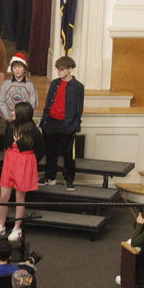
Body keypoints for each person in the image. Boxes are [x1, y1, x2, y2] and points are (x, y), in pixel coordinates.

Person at [0, 102, 44, 241]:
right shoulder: (10, 126)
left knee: (19, 198)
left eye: (15, 112)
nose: (13, 114)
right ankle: (1, 226)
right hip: (10, 161)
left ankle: (17, 228)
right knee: (3, 196)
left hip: (24, 163)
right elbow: (6, 143)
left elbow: (40, 150)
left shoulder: (34, 131)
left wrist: (30, 163)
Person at [39, 56, 84, 191]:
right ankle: (50, 176)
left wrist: (74, 125)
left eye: (62, 69)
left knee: (68, 154)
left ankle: (69, 178)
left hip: (67, 124)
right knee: (51, 152)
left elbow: (79, 109)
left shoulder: (78, 87)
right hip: (51, 122)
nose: (59, 71)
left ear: (70, 69)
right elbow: (48, 103)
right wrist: (45, 121)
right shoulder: (54, 84)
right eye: (57, 69)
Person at [0, 53, 38, 122]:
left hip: (25, 121)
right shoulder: (6, 84)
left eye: (20, 67)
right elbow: (0, 102)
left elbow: (33, 104)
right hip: (9, 121)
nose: (17, 70)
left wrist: (26, 117)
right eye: (15, 67)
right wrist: (7, 117)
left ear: (24, 69)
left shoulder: (30, 85)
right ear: (12, 69)